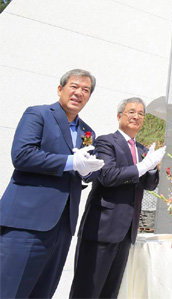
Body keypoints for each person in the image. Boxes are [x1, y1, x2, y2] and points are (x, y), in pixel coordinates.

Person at [0, 68, 103, 298]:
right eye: (74, 86)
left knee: (43, 291)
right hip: (27, 223)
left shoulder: (88, 131)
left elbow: (81, 170)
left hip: (62, 227)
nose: (79, 93)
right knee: (10, 290)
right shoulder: (38, 115)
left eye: (85, 90)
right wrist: (70, 162)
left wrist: (88, 171)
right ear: (60, 89)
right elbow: (22, 155)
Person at [69, 97, 165, 299]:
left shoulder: (141, 149)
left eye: (140, 113)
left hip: (127, 231)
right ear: (119, 115)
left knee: (110, 291)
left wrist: (151, 168)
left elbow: (149, 185)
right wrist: (142, 166)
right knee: (88, 289)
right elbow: (107, 176)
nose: (136, 116)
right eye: (131, 112)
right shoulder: (106, 141)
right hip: (102, 229)